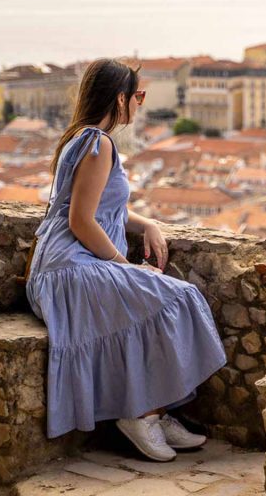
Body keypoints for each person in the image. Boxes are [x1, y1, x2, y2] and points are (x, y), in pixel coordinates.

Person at [26, 58, 226, 462]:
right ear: (120, 98)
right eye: (138, 95)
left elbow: (100, 209)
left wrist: (146, 223)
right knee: (179, 297)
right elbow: (81, 221)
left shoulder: (80, 139)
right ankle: (142, 414)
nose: (141, 103)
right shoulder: (98, 144)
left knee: (162, 302)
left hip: (59, 267)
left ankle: (157, 409)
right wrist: (123, 263)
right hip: (71, 268)